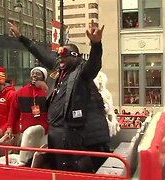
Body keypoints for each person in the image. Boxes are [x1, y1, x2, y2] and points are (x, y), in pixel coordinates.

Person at [9, 20, 110, 173]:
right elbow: (39, 53)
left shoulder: (82, 72)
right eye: (59, 57)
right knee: (56, 168)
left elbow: (94, 64)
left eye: (64, 57)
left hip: (71, 133)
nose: (60, 60)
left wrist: (96, 45)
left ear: (75, 57)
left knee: (71, 169)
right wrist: (21, 37)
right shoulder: (58, 68)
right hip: (55, 131)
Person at [6, 67, 49, 165]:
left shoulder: (49, 92)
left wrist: (46, 89)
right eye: (33, 73)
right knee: (25, 159)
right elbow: (14, 111)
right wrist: (9, 127)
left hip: (45, 133)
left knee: (41, 160)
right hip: (26, 134)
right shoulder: (21, 92)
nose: (34, 75)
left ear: (44, 77)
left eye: (38, 74)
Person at [0, 67, 15, 140]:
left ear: (0, 82)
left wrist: (4, 128)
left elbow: (13, 114)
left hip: (5, 133)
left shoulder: (11, 94)